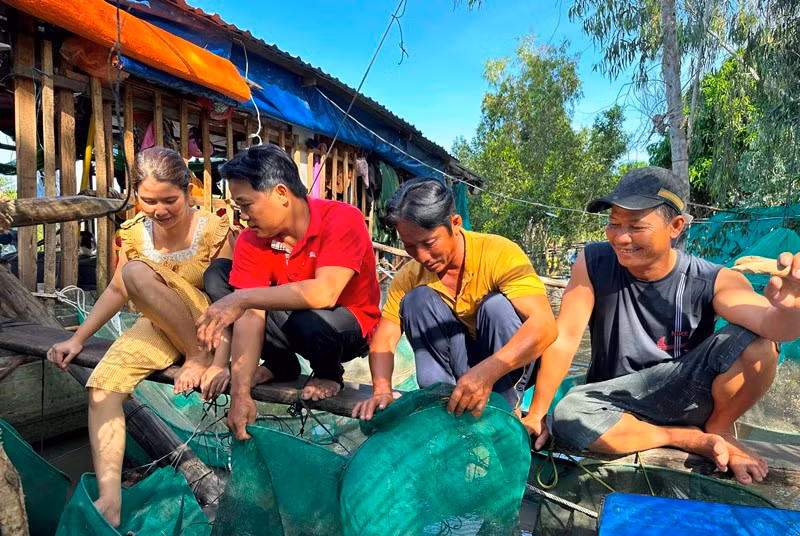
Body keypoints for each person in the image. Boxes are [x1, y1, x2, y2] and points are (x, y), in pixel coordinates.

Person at [525, 166, 800, 485]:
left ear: (676, 226)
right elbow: (566, 337)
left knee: (758, 343)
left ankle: (719, 429)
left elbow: (774, 327)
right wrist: (537, 412)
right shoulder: (594, 261)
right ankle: (687, 439)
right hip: (612, 403)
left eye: (636, 226)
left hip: (684, 395)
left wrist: (790, 310)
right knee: (568, 413)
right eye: (613, 224)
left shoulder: (713, 279)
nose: (620, 237)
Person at [46, 147, 235, 526]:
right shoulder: (133, 234)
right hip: (159, 326)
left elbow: (228, 299)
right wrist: (78, 338)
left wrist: (215, 362)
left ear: (189, 191)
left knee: (135, 272)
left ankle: (194, 355)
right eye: (148, 200)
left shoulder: (213, 229)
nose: (159, 209)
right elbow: (117, 291)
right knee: (102, 388)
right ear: (136, 195)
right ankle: (111, 499)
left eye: (170, 200)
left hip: (208, 325)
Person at [198, 144, 381, 441]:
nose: (243, 216)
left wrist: (241, 298)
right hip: (293, 320)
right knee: (219, 275)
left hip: (345, 328)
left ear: (281, 194)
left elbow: (325, 293)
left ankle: (328, 372)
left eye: (246, 205)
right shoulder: (251, 239)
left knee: (304, 319)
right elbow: (250, 316)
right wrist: (240, 393)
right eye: (239, 208)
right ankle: (281, 364)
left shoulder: (342, 218)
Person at [352, 178, 557, 421]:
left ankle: (505, 406)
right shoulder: (410, 276)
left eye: (429, 243)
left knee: (497, 307)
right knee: (417, 301)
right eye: (409, 246)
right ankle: (443, 405)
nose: (421, 256)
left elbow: (545, 326)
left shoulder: (499, 253)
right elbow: (384, 338)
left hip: (504, 368)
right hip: (462, 365)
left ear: (455, 223)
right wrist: (382, 390)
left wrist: (486, 373)